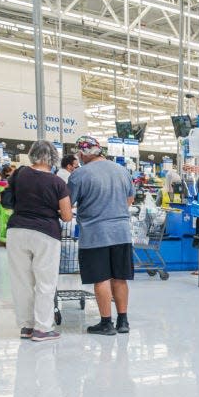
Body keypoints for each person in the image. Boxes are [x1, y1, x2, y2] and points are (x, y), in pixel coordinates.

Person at [5, 141, 73, 342]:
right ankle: (42, 328)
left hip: (17, 230)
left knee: (21, 281)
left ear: (33, 155)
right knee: (45, 281)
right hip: (45, 233)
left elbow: (10, 198)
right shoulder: (57, 183)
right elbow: (68, 216)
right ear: (52, 158)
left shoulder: (19, 174)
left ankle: (26, 326)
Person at [68, 135, 135, 336]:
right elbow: (130, 198)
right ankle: (123, 321)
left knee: (101, 278)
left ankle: (106, 323)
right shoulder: (122, 171)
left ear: (82, 153)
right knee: (119, 277)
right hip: (121, 232)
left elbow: (67, 203)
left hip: (95, 233)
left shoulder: (79, 175)